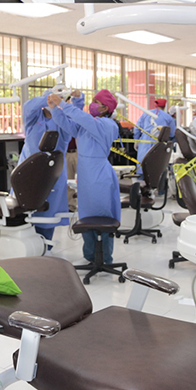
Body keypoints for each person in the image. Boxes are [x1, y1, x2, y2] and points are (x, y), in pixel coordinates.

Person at [55, 90, 124, 266]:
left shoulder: (108, 125)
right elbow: (67, 123)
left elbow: (83, 119)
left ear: (105, 108)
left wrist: (63, 104)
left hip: (99, 175)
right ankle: (91, 255)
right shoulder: (89, 125)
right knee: (86, 215)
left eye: (96, 102)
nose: (92, 105)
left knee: (102, 215)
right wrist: (54, 108)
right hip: (86, 175)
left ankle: (105, 258)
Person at [18, 87, 76, 243]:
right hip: (29, 170)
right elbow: (27, 107)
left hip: (53, 173)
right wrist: (49, 98)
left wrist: (63, 104)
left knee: (48, 214)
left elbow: (74, 121)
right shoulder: (34, 117)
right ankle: (29, 245)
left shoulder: (62, 121)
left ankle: (45, 246)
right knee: (25, 211)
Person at [135, 98, 176, 181]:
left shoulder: (146, 114)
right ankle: (159, 190)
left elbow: (137, 128)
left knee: (142, 166)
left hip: (144, 142)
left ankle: (140, 189)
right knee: (158, 168)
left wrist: (136, 141)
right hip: (159, 143)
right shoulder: (168, 117)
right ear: (164, 106)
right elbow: (172, 133)